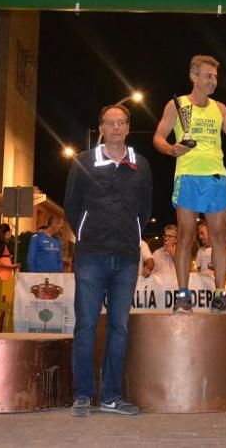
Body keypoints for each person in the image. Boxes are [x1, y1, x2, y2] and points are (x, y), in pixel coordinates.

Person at [152, 54, 226, 313]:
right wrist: (172, 149)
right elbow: (158, 137)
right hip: (188, 176)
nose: (213, 80)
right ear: (194, 76)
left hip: (216, 177)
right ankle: (183, 296)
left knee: (218, 237)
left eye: (215, 76)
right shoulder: (177, 105)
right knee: (186, 235)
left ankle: (219, 295)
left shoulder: (220, 108)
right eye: (208, 75)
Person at [65, 103, 152, 417]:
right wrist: (89, 234)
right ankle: (83, 394)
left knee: (119, 327)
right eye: (109, 122)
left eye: (121, 122)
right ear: (100, 128)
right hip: (91, 256)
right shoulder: (84, 162)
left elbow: (145, 209)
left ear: (128, 128)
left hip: (127, 258)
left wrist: (131, 236)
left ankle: (112, 396)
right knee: (86, 325)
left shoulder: (140, 164)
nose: (116, 127)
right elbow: (72, 206)